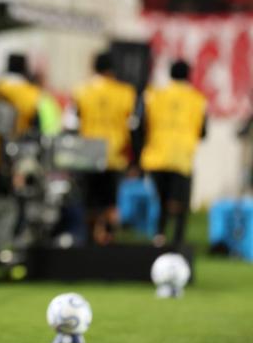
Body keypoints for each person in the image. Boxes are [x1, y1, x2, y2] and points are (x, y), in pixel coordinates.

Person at [139, 60, 206, 247]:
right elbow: (203, 131)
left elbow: (142, 125)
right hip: (181, 158)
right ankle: (177, 242)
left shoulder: (154, 95)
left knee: (160, 201)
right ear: (188, 75)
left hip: (156, 156)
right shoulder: (197, 99)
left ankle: (158, 237)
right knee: (179, 204)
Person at [72, 51, 137, 245]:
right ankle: (108, 239)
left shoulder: (81, 91)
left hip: (88, 153)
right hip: (114, 154)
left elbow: (72, 123)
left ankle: (90, 239)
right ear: (112, 69)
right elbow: (133, 126)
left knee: (89, 202)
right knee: (110, 202)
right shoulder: (126, 92)